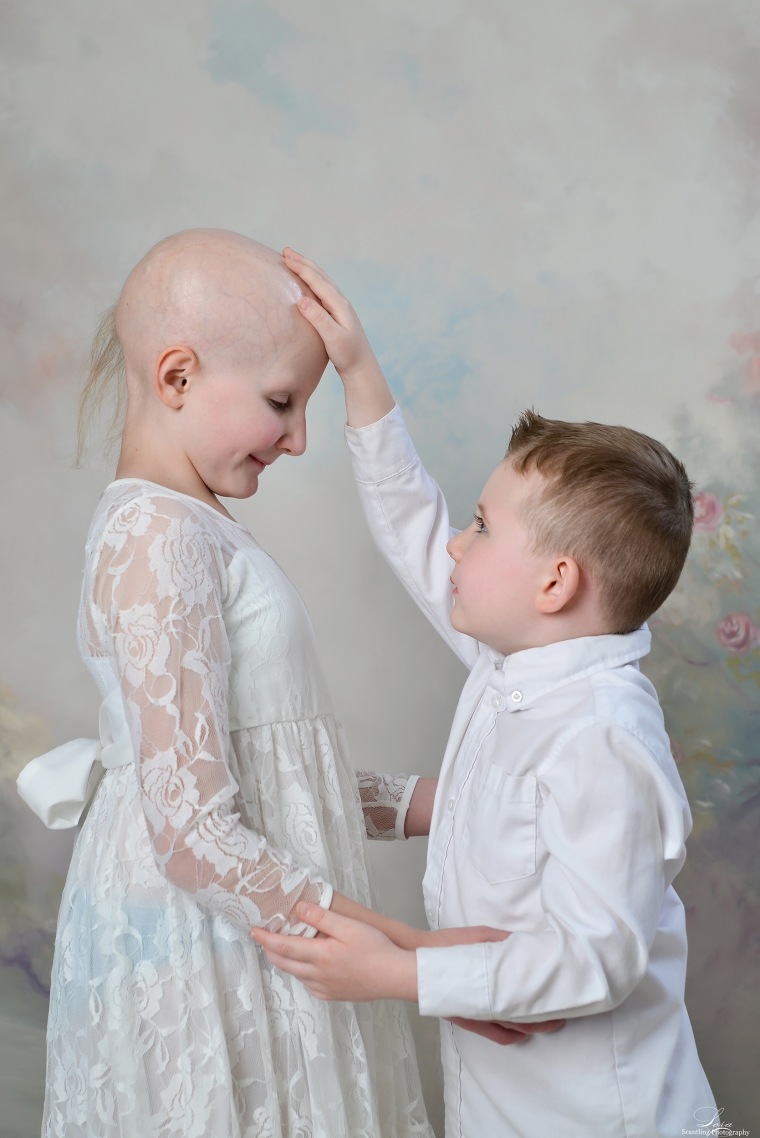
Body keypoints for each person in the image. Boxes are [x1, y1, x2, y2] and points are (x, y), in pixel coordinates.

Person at [18, 229, 542, 1138]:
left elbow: (265, 764)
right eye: (281, 403)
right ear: (177, 377)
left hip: (250, 921)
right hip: (204, 941)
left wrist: (437, 798)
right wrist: (413, 958)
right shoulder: (157, 536)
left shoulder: (193, 527)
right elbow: (190, 833)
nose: (299, 439)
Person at [253, 249, 717, 1138]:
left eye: (481, 526)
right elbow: (412, 528)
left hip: (599, 1118)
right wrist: (359, 375)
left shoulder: (601, 738)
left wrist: (399, 973)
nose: (457, 546)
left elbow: (595, 960)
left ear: (554, 584)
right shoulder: (518, 660)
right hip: (503, 1107)